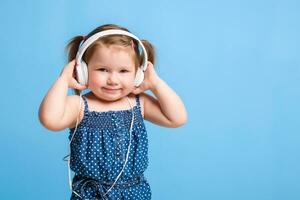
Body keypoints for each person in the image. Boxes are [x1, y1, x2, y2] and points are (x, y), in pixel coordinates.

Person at [39, 24, 187, 200]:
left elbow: (177, 118)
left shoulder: (139, 104)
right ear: (83, 71)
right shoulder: (79, 106)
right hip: (91, 195)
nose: (113, 80)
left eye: (124, 71)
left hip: (135, 193)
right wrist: (63, 80)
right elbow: (49, 119)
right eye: (102, 70)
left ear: (138, 74)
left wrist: (156, 84)